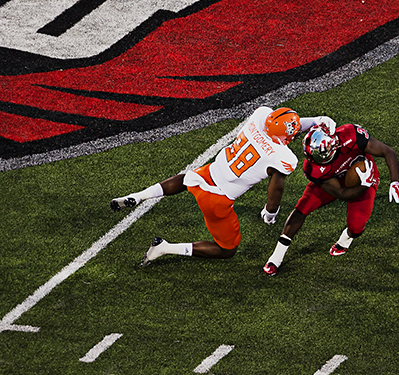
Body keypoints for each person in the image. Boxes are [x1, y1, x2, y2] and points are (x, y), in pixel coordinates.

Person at [109, 106, 333, 266]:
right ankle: (165, 247)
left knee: (186, 179)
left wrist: (316, 120)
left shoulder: (262, 115)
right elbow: (277, 188)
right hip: (218, 199)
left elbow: (283, 126)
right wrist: (270, 213)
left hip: (211, 172)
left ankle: (139, 196)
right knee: (227, 249)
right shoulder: (283, 156)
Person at [263, 122, 399, 275]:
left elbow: (388, 152)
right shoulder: (313, 168)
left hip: (363, 177)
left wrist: (394, 182)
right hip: (333, 181)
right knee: (302, 208)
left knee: (356, 228)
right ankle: (276, 258)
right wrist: (363, 186)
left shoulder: (351, 135)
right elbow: (342, 194)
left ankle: (345, 240)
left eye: (320, 158)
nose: (316, 162)